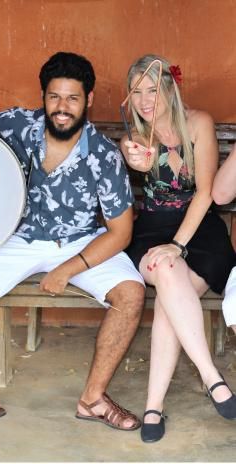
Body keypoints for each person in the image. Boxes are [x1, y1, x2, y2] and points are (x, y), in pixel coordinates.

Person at [0, 51, 145, 438]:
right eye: (54, 97)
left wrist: (67, 269)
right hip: (15, 238)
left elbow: (120, 233)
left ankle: (93, 399)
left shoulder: (104, 154)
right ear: (43, 96)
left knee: (132, 293)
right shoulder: (15, 124)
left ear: (88, 100)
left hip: (79, 241)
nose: (62, 108)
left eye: (72, 98)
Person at [112, 54, 236, 443]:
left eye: (152, 89)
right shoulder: (134, 135)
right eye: (136, 92)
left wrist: (178, 245)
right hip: (151, 231)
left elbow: (205, 192)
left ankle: (153, 406)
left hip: (200, 231)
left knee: (169, 296)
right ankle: (211, 376)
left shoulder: (198, 123)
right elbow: (137, 158)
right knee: (166, 274)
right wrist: (135, 159)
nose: (145, 100)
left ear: (169, 87)